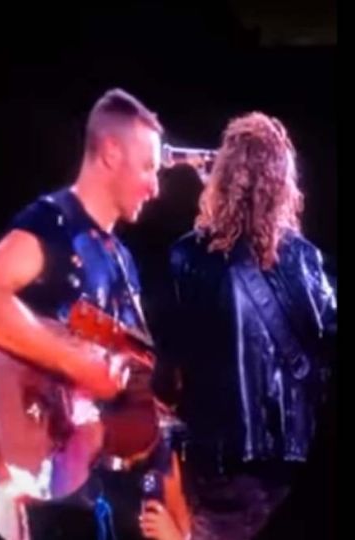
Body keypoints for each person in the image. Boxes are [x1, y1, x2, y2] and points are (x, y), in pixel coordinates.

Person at [0, 88, 187, 540]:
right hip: (50, 501)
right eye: (147, 167)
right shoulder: (54, 224)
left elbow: (137, 377)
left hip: (93, 496)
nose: (155, 186)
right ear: (109, 153)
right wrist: (80, 363)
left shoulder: (121, 258)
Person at [152, 111, 336, 540]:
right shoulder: (305, 260)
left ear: (223, 175)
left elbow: (167, 381)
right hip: (296, 473)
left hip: (221, 473)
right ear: (283, 184)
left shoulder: (189, 259)